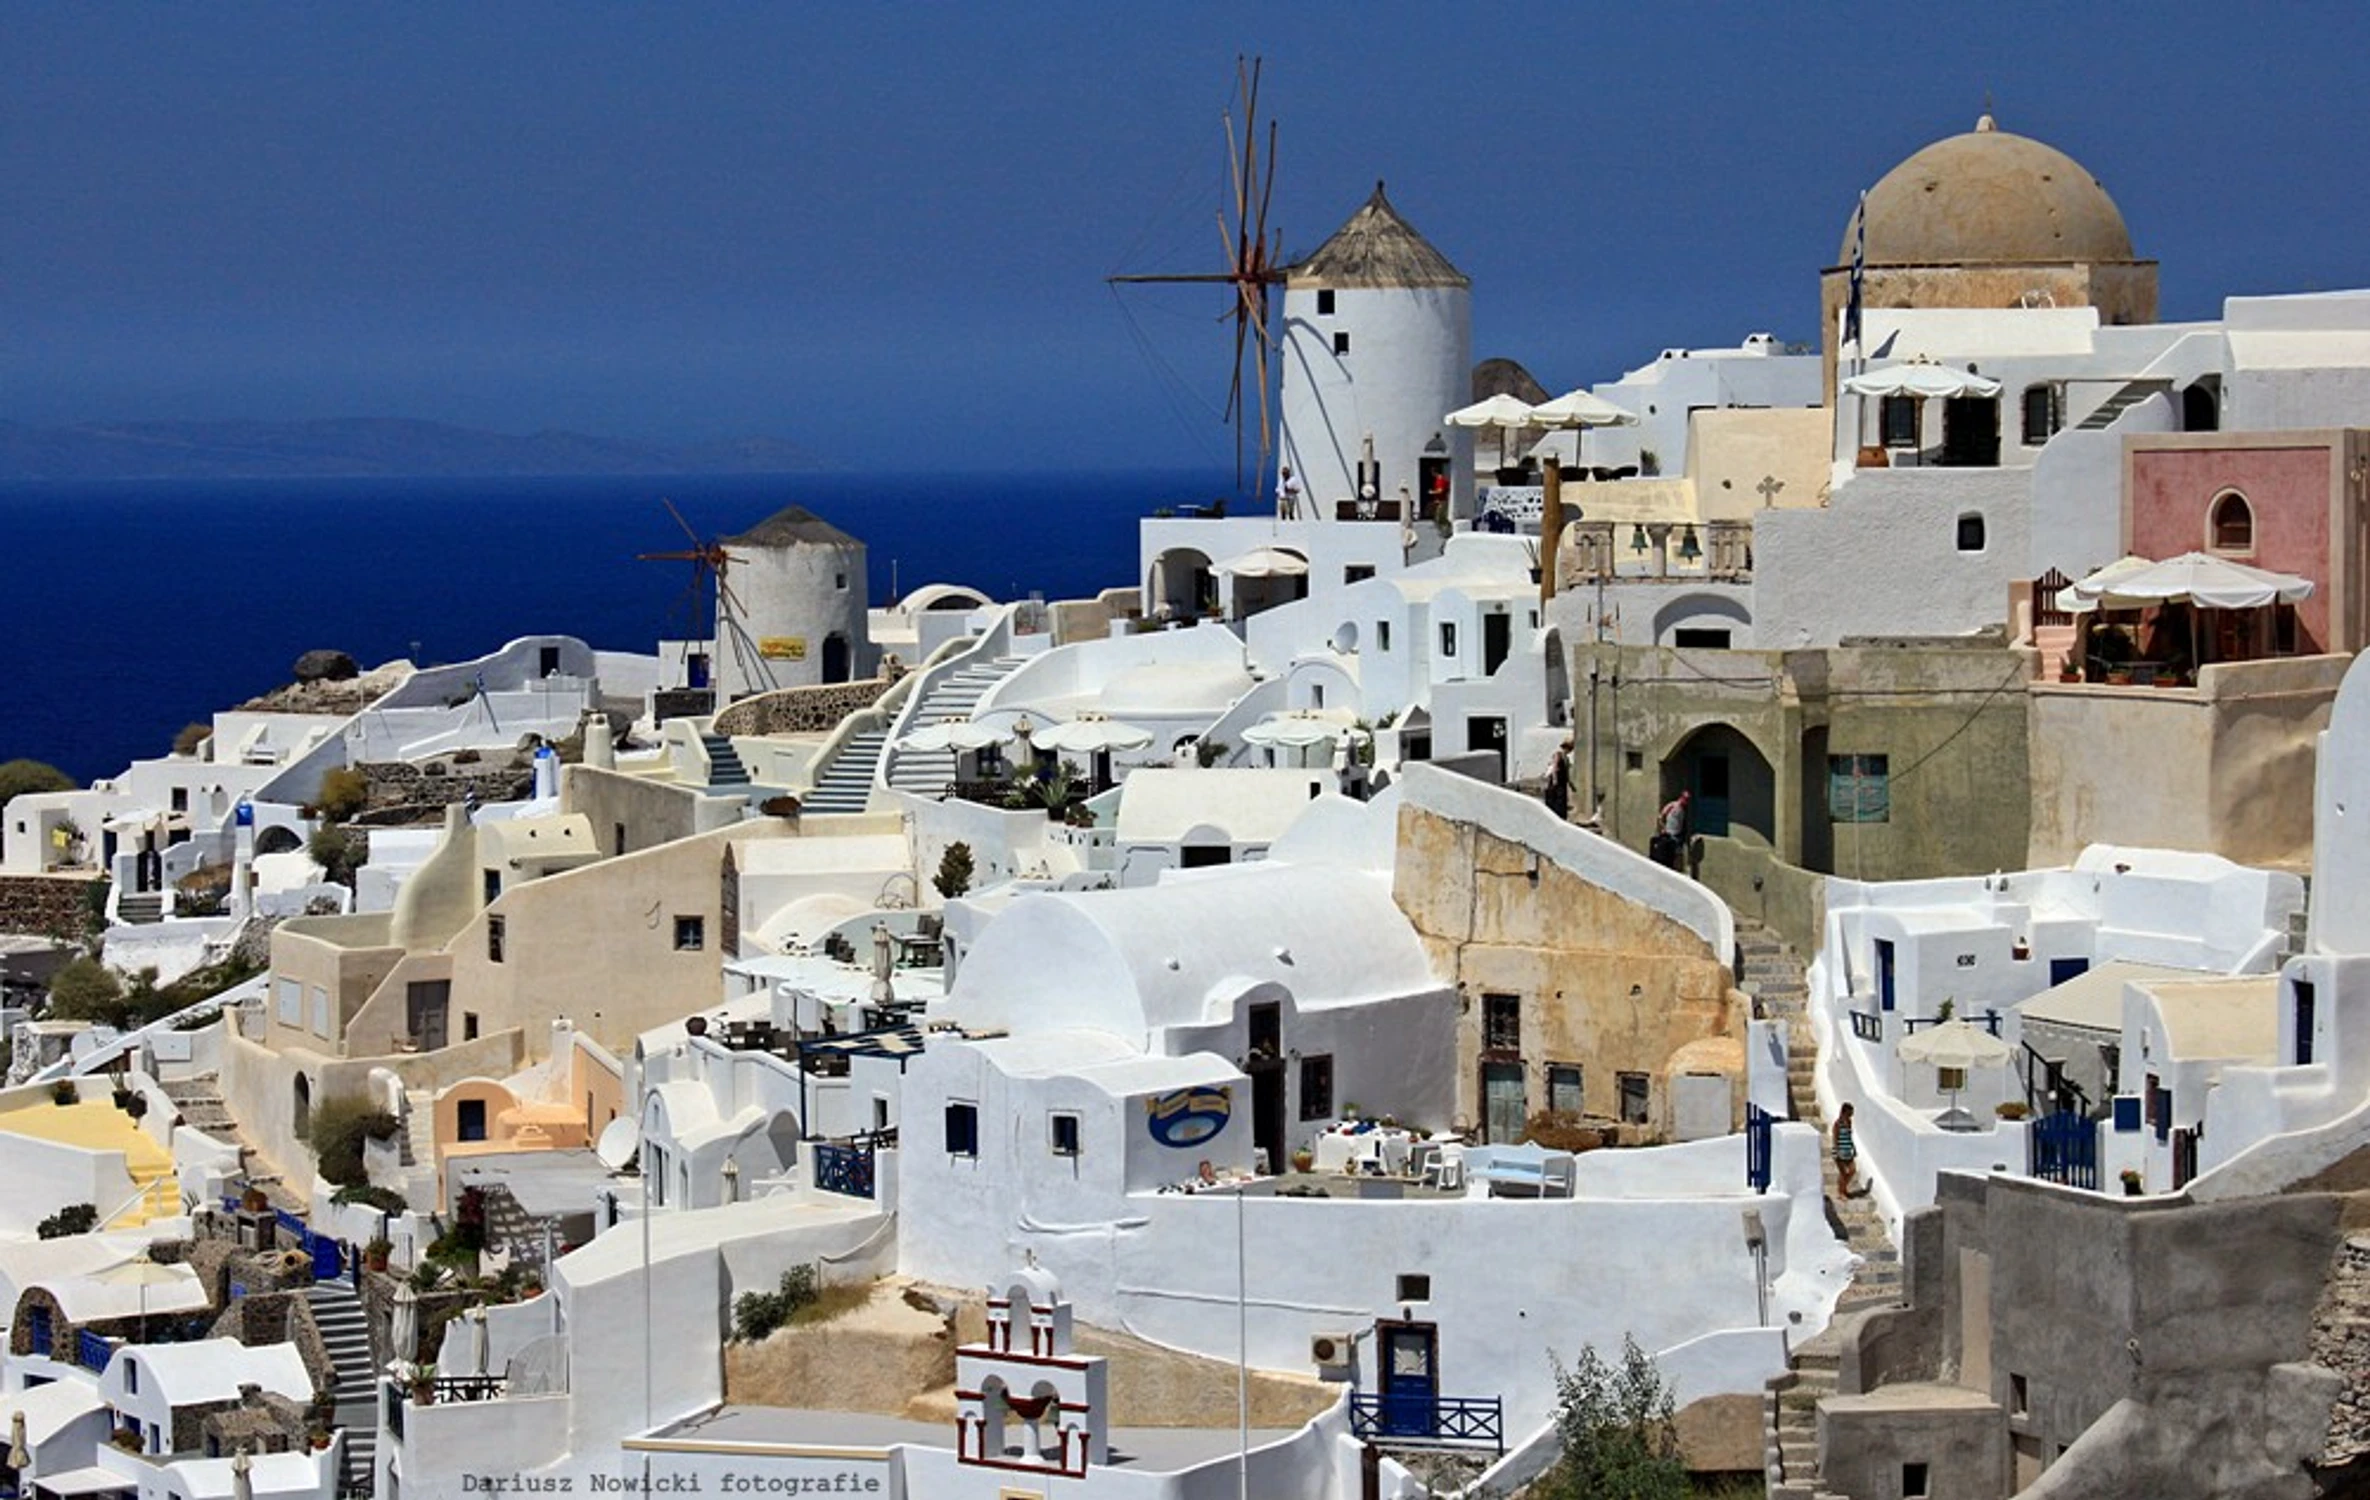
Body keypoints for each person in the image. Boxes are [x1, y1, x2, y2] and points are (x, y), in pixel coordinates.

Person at [1652, 789, 1691, 869]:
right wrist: (1663, 828)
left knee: (1676, 855)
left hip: (1677, 835)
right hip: (1668, 834)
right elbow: (1660, 817)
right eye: (1685, 799)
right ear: (1681, 797)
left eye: (1687, 800)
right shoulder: (1672, 805)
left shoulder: (1683, 810)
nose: (1685, 801)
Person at [1832, 1102, 1859, 1198]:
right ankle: (1841, 1192)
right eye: (1850, 1112)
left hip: (1848, 1151)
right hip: (1840, 1151)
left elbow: (1849, 1136)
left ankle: (1843, 1188)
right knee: (1843, 1173)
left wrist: (1854, 1148)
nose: (1852, 1114)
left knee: (1852, 1170)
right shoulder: (1837, 1124)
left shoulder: (1849, 1122)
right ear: (1845, 1111)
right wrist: (1837, 1151)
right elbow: (1835, 1138)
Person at [1544, 739, 1573, 821]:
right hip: (1557, 781)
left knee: (1562, 799)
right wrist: (1554, 779)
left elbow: (1566, 771)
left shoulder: (1566, 758)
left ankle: (1561, 817)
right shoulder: (1558, 755)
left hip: (1562, 782)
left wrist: (1570, 783)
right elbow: (1555, 767)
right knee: (1556, 799)